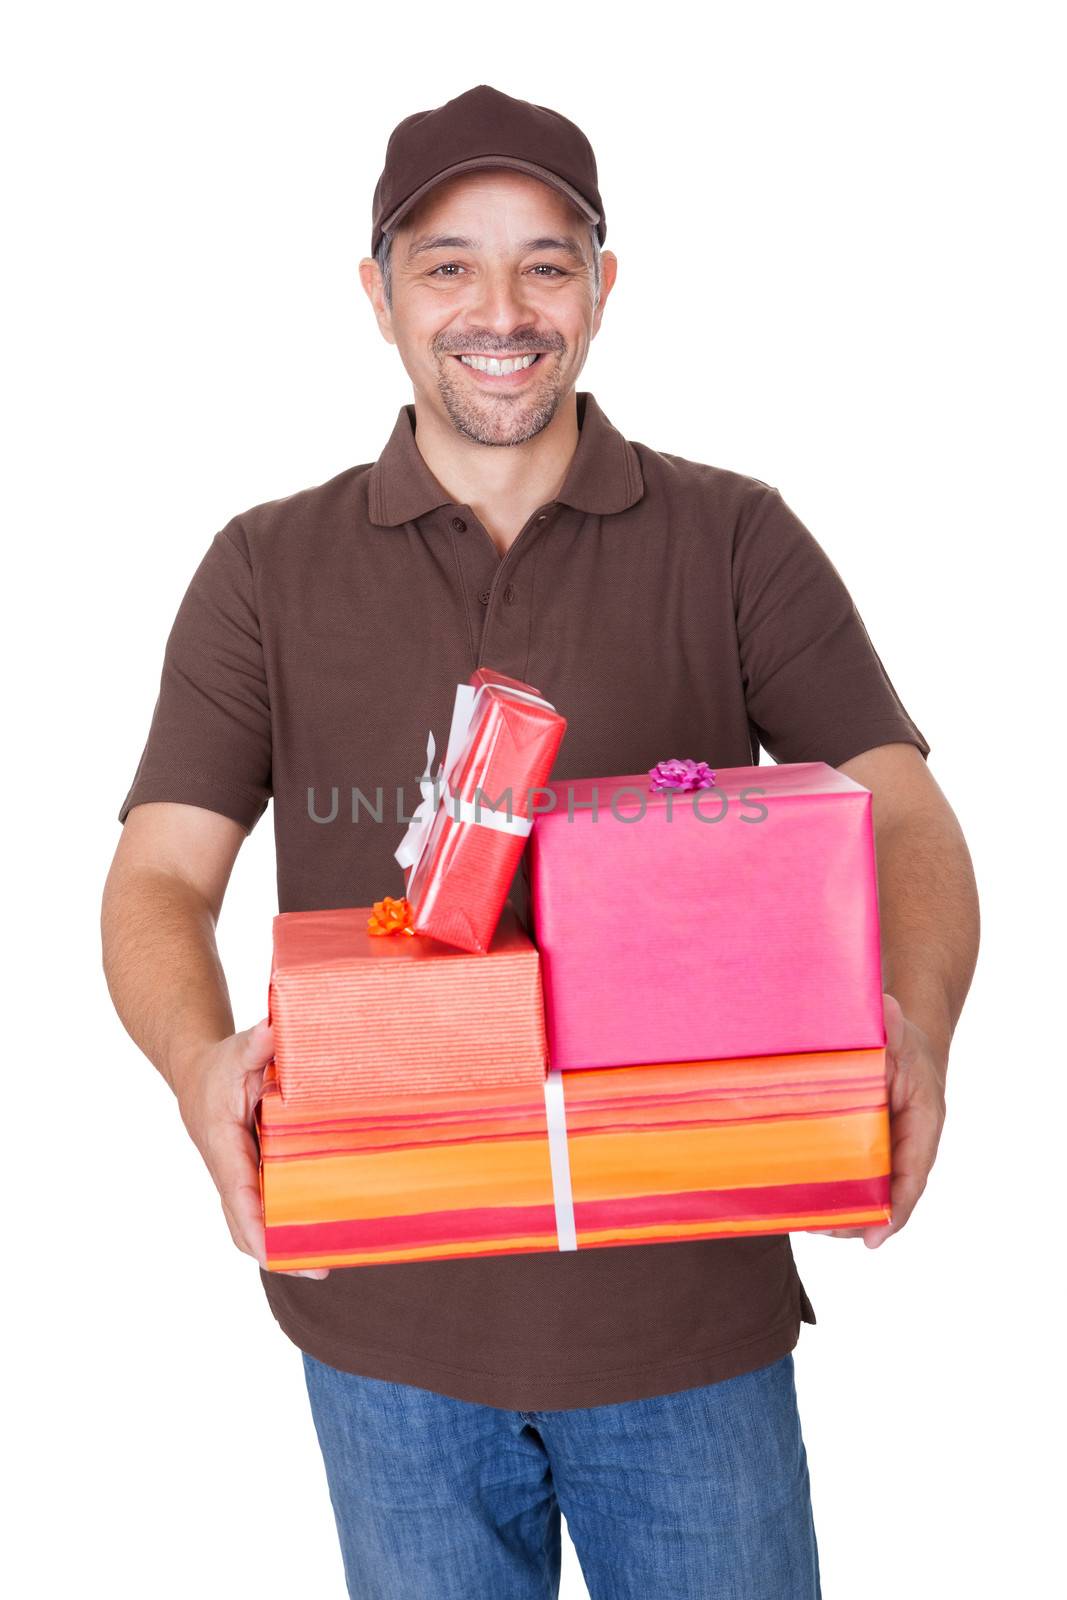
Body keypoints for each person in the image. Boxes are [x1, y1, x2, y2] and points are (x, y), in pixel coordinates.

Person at [101, 84, 980, 1599]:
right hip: (388, 1336)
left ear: (604, 287)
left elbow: (900, 805)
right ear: (377, 295)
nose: (498, 310)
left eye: (545, 263)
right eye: (448, 265)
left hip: (688, 1321)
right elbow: (159, 880)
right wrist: (197, 1068)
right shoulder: (264, 569)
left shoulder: (732, 538)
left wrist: (920, 1025)